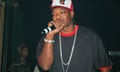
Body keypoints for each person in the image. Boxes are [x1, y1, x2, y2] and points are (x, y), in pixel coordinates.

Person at [36, 0, 112, 72]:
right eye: (54, 14)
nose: (57, 17)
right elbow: (45, 67)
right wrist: (50, 36)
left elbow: (105, 67)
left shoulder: (90, 37)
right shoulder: (47, 38)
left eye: (62, 12)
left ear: (71, 14)